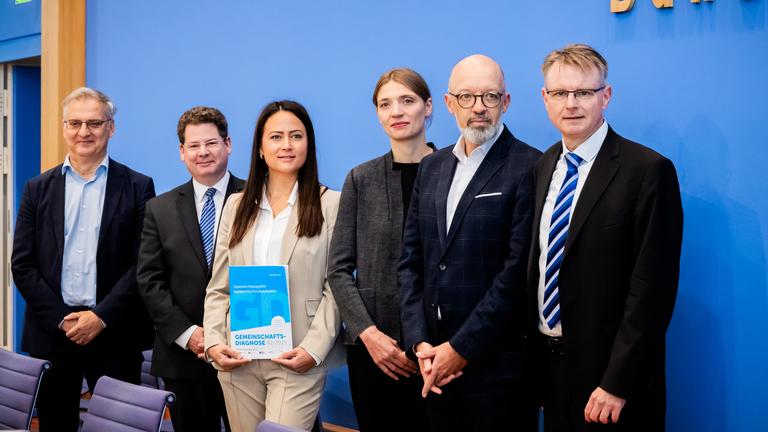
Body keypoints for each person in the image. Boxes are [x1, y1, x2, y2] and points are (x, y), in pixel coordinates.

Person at [528, 43, 683, 431]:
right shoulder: (544, 165)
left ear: (606, 96)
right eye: (560, 93)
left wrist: (617, 382)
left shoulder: (647, 171)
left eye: (584, 92)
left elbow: (652, 290)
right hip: (551, 367)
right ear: (545, 99)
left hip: (612, 383)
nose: (572, 104)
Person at [398, 55, 541, 431]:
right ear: (448, 104)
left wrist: (459, 350)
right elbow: (411, 261)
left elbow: (516, 274)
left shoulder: (530, 166)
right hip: (432, 368)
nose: (478, 107)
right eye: (466, 97)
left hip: (496, 371)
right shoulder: (432, 166)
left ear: (505, 102)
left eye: (490, 97)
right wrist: (419, 343)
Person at [11, 87, 155, 432]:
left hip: (115, 333)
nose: (83, 132)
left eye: (94, 123)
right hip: (53, 334)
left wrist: (99, 317)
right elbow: (23, 264)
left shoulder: (138, 186)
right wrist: (63, 319)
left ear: (111, 128)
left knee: (120, 428)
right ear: (64, 127)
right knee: (55, 424)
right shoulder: (37, 188)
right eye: (75, 123)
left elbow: (144, 263)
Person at [203, 100, 344, 432]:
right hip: (238, 357)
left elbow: (336, 286)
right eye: (276, 137)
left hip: (297, 357)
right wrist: (213, 342)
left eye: (296, 136)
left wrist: (313, 349)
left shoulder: (331, 204)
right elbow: (219, 285)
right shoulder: (236, 205)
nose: (287, 145)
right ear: (261, 148)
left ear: (308, 144)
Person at [328, 68, 435, 431]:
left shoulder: (454, 170)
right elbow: (338, 269)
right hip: (375, 351)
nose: (397, 112)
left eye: (407, 100)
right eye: (385, 104)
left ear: (429, 107)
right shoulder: (361, 178)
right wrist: (368, 335)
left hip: (440, 350)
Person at [137, 106, 243, 431]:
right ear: (182, 152)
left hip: (246, 353)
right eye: (194, 145)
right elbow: (149, 280)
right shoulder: (160, 208)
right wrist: (190, 335)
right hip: (184, 358)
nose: (203, 152)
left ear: (228, 144)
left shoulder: (257, 197)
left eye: (211, 143)